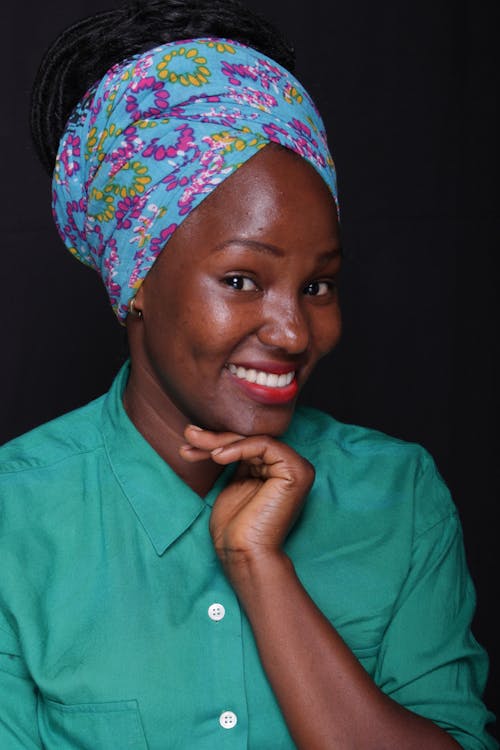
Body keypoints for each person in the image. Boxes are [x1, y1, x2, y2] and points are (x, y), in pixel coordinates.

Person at [0, 0, 496, 747]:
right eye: (241, 280)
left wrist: (260, 568)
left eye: (318, 285)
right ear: (134, 278)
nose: (295, 332)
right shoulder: (16, 520)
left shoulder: (400, 498)